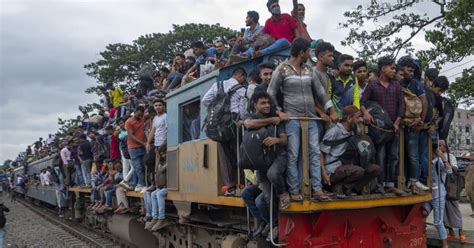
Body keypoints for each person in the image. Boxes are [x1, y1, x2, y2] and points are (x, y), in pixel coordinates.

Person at [267, 38, 335, 201]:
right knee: (293, 153)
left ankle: (317, 188)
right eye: (307, 52)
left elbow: (320, 93)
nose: (309, 55)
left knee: (314, 151)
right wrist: (278, 112)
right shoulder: (281, 69)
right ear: (301, 52)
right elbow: (270, 93)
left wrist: (331, 110)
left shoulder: (309, 70)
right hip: (292, 118)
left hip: (310, 118)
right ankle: (294, 189)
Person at [361, 57, 404, 196]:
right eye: (391, 68)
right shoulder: (372, 85)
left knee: (393, 157)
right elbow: (362, 102)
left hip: (394, 128)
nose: (394, 71)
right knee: (380, 156)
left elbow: (401, 106)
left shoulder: (396, 85)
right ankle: (379, 185)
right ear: (383, 68)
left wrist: (397, 123)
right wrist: (366, 113)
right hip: (379, 130)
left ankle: (390, 184)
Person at [203, 67, 247, 196]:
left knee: (224, 156)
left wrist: (216, 112)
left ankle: (230, 187)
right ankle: (244, 183)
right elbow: (242, 110)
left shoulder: (217, 85)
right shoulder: (241, 90)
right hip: (235, 125)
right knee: (240, 152)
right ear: (241, 76)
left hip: (218, 126)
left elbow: (205, 100)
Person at [320, 105, 381, 198]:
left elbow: (362, 139)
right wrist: (324, 173)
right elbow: (321, 152)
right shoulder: (334, 131)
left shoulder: (353, 130)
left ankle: (351, 189)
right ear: (349, 118)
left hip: (348, 165)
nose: (360, 120)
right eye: (358, 117)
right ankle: (338, 188)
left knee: (375, 169)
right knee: (358, 171)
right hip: (334, 168)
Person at [397, 56, 429, 194]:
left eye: (412, 70)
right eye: (408, 69)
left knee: (413, 156)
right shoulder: (396, 83)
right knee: (399, 155)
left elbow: (424, 102)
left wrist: (420, 121)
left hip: (413, 126)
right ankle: (401, 181)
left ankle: (414, 182)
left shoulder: (416, 84)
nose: (411, 71)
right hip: (399, 125)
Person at [439, 141, 466, 244]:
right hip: (441, 187)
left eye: (442, 145)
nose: (441, 146)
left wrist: (445, 162)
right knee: (444, 211)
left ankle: (461, 232)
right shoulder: (435, 156)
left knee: (455, 209)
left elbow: (454, 169)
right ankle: (450, 232)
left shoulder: (450, 156)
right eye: (439, 145)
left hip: (451, 187)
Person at [426, 145, 453, 248]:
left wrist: (443, 158)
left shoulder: (439, 161)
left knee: (438, 222)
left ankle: (445, 245)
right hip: (428, 194)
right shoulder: (425, 160)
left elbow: (449, 171)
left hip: (438, 194)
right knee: (422, 213)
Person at [144, 146, 171, 231]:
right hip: (163, 187)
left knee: (159, 194)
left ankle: (161, 218)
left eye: (164, 153)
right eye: (161, 154)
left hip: (170, 187)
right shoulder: (164, 161)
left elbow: (162, 169)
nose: (163, 155)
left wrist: (158, 160)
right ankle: (155, 218)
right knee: (152, 194)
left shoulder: (171, 160)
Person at [125, 106, 147, 192]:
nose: (140, 117)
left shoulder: (142, 118)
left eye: (142, 115)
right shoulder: (129, 122)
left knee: (144, 166)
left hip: (143, 146)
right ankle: (143, 185)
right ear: (135, 111)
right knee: (138, 167)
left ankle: (139, 184)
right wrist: (143, 143)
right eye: (139, 115)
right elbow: (131, 136)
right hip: (133, 148)